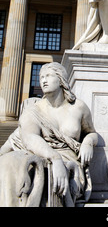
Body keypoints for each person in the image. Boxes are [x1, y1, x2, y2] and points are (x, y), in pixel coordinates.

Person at [0, 62, 98, 207]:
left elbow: (91, 133)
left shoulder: (79, 107)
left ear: (61, 80)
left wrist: (88, 142)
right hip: (42, 155)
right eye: (41, 77)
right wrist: (55, 158)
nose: (43, 80)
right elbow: (30, 138)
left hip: (70, 161)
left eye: (48, 76)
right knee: (13, 164)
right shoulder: (33, 111)